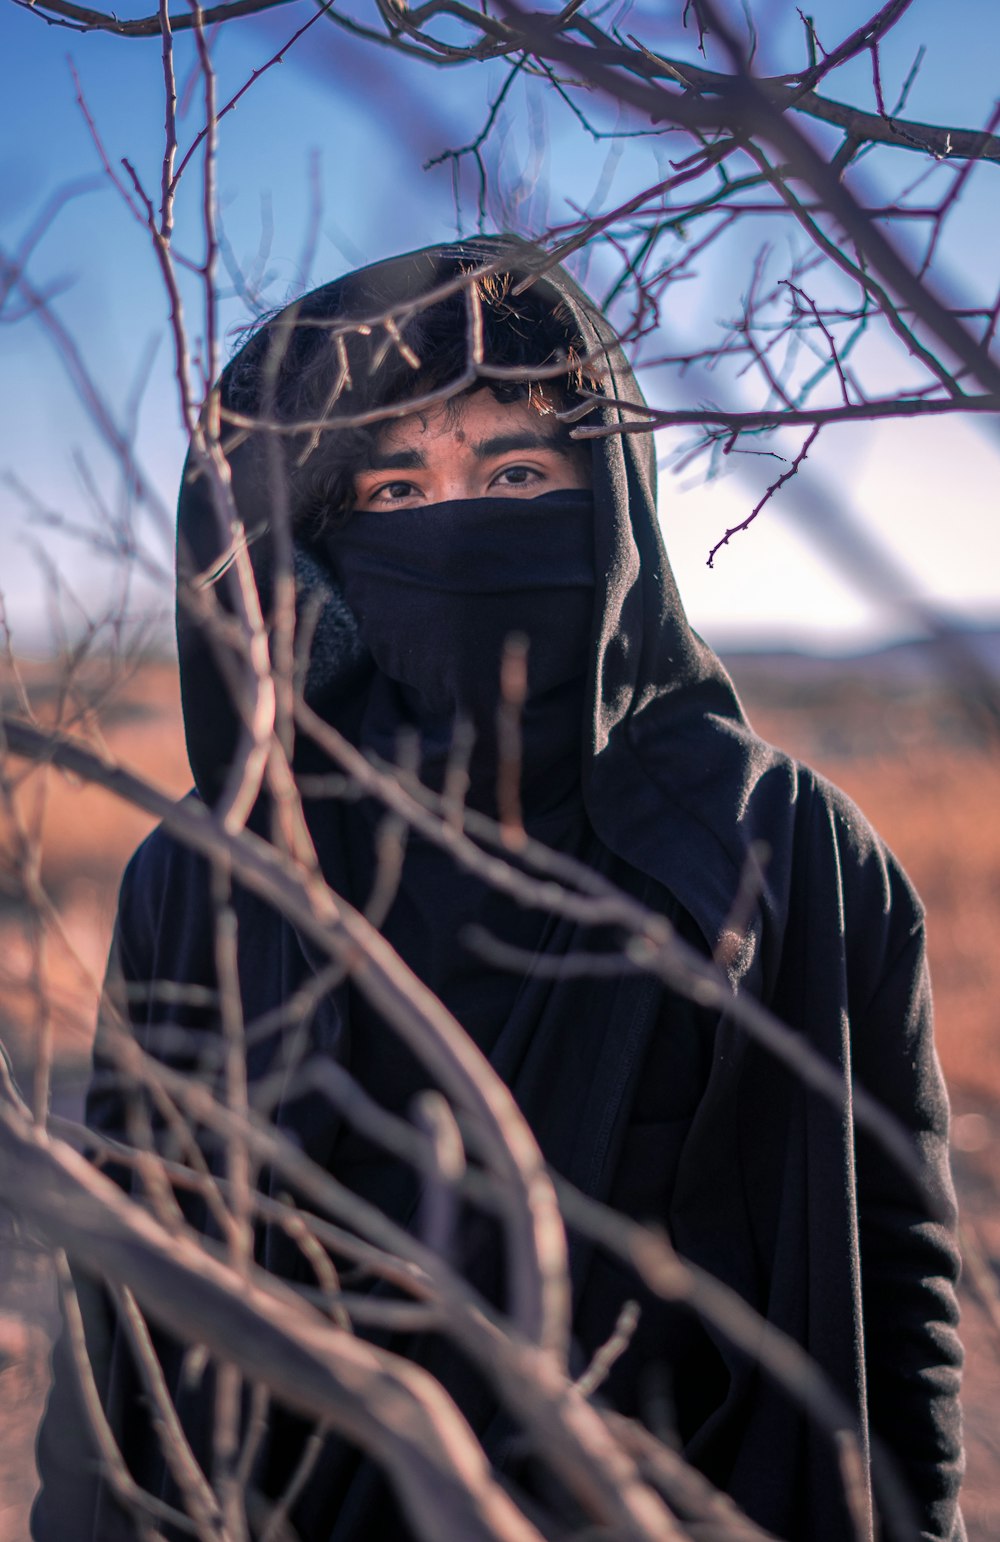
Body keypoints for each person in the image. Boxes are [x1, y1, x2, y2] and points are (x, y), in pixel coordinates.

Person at [32, 237, 965, 1541]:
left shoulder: (778, 850)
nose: (455, 524)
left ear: (605, 505)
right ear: (321, 544)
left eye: (516, 472)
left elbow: (889, 1285)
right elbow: (121, 1300)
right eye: (397, 492)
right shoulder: (214, 874)